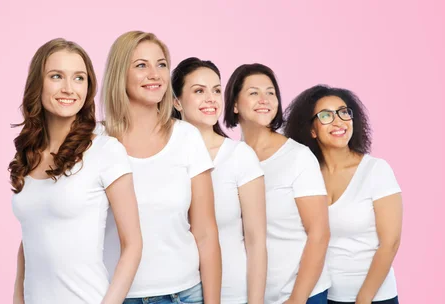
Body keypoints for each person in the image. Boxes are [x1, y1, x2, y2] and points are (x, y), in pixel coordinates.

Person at [9, 38, 143, 304]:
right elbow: (32, 236)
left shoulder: (106, 150)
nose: (69, 88)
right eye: (56, 76)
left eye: (79, 78)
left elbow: (133, 245)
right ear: (38, 83)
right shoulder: (28, 153)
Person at [100, 31, 221, 304]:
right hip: (115, 297)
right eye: (141, 65)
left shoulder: (187, 138)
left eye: (162, 64)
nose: (154, 74)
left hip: (185, 295)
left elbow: (205, 232)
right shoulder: (96, 142)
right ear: (120, 73)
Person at [284, 85, 403, 304]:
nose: (338, 121)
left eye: (343, 112)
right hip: (321, 296)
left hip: (374, 298)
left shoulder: (376, 170)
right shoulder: (306, 176)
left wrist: (364, 299)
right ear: (312, 130)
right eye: (326, 115)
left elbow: (391, 242)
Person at [224, 63, 331, 304]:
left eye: (270, 92)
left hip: (300, 295)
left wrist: (297, 299)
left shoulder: (297, 157)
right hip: (250, 296)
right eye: (253, 93)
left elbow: (320, 233)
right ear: (234, 104)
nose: (264, 99)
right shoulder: (229, 158)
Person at [171, 57, 267, 304]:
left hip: (232, 294)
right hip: (175, 292)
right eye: (199, 91)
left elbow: (256, 241)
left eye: (216, 90)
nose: (211, 99)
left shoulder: (240, 156)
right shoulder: (164, 157)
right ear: (176, 101)